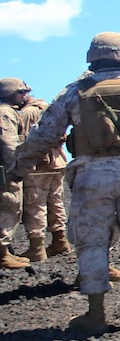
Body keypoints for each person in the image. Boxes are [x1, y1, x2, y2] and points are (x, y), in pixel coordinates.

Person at [11, 32, 120, 333]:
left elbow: (44, 134)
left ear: (93, 56)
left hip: (89, 175)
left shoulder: (73, 92)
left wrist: (20, 167)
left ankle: (95, 314)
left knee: (91, 241)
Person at [18, 94, 70, 262]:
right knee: (55, 201)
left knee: (35, 204)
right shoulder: (50, 108)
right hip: (58, 163)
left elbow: (26, 141)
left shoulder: (27, 113)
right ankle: (59, 240)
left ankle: (36, 247)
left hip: (39, 166)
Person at [0, 78, 31, 270]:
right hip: (6, 172)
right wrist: (18, 168)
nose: (24, 96)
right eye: (21, 92)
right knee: (9, 207)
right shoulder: (5, 113)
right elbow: (8, 143)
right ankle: (2, 254)